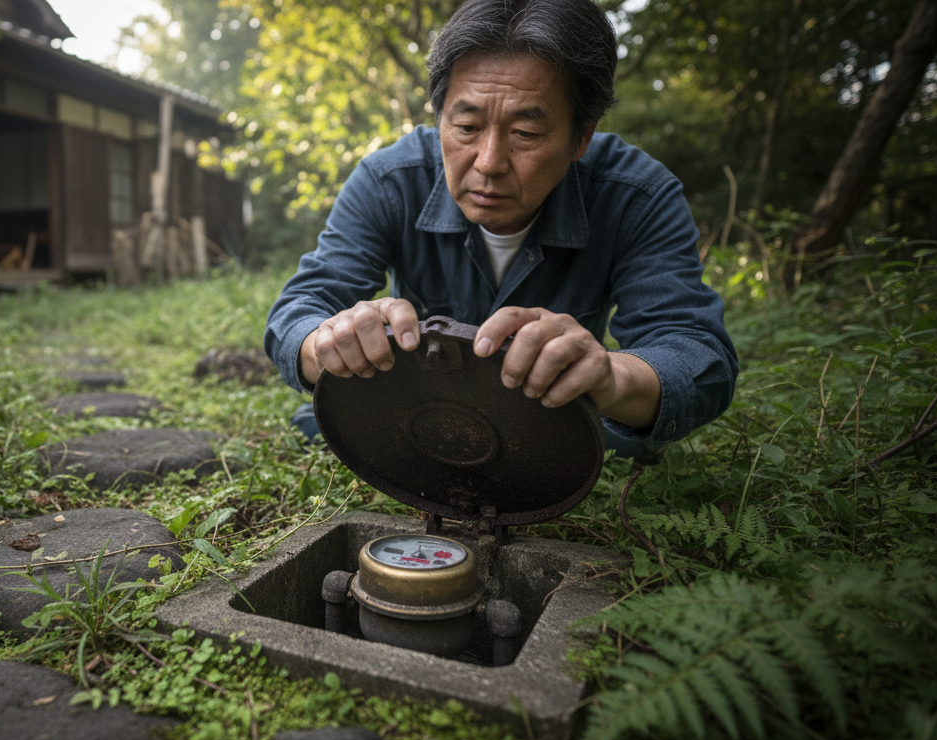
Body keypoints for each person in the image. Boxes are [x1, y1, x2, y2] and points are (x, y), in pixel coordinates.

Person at [264, 0, 738, 457]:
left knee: (625, 445)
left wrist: (610, 377)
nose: (489, 163)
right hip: (414, 419)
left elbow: (696, 354)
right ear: (439, 116)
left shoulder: (637, 196)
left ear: (581, 137)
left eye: (525, 134)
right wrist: (328, 340)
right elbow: (301, 309)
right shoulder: (389, 181)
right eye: (467, 126)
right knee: (318, 429)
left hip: (554, 426)